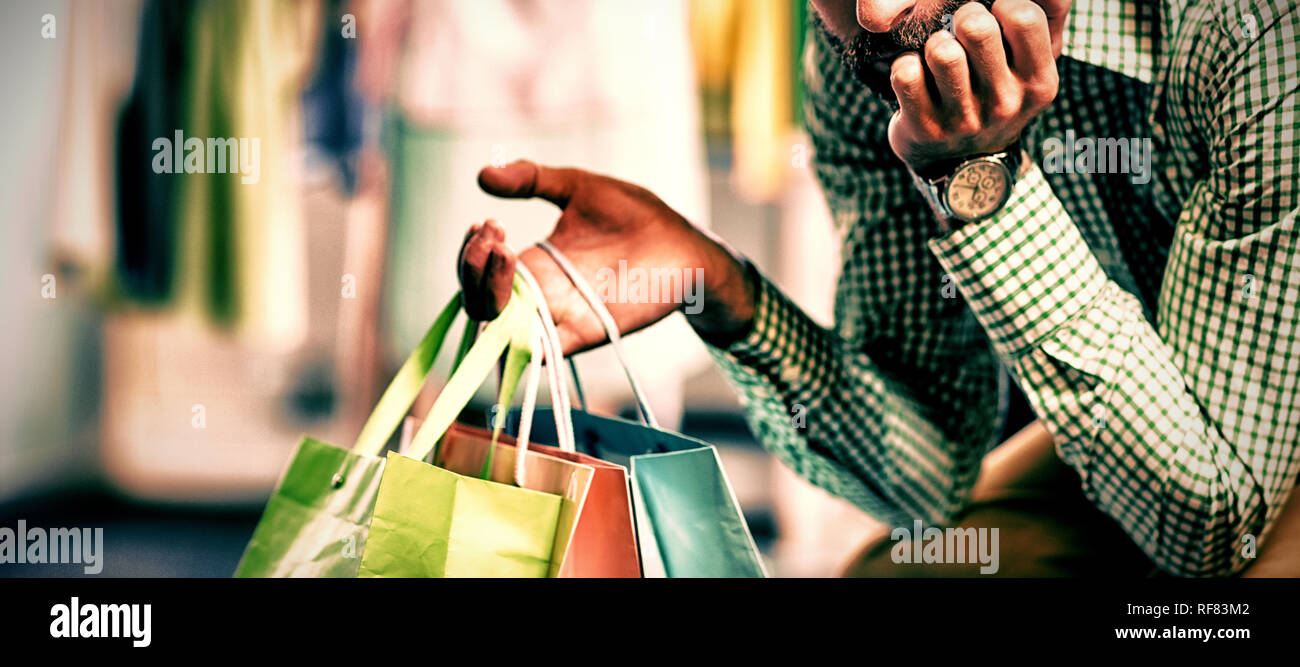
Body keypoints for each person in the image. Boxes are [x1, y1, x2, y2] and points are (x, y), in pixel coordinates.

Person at [458, 0, 1300, 577]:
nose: (866, 10)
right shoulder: (874, 56)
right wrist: (718, 289)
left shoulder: (1252, 34)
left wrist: (981, 182)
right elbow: (928, 479)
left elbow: (1211, 526)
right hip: (1171, 424)